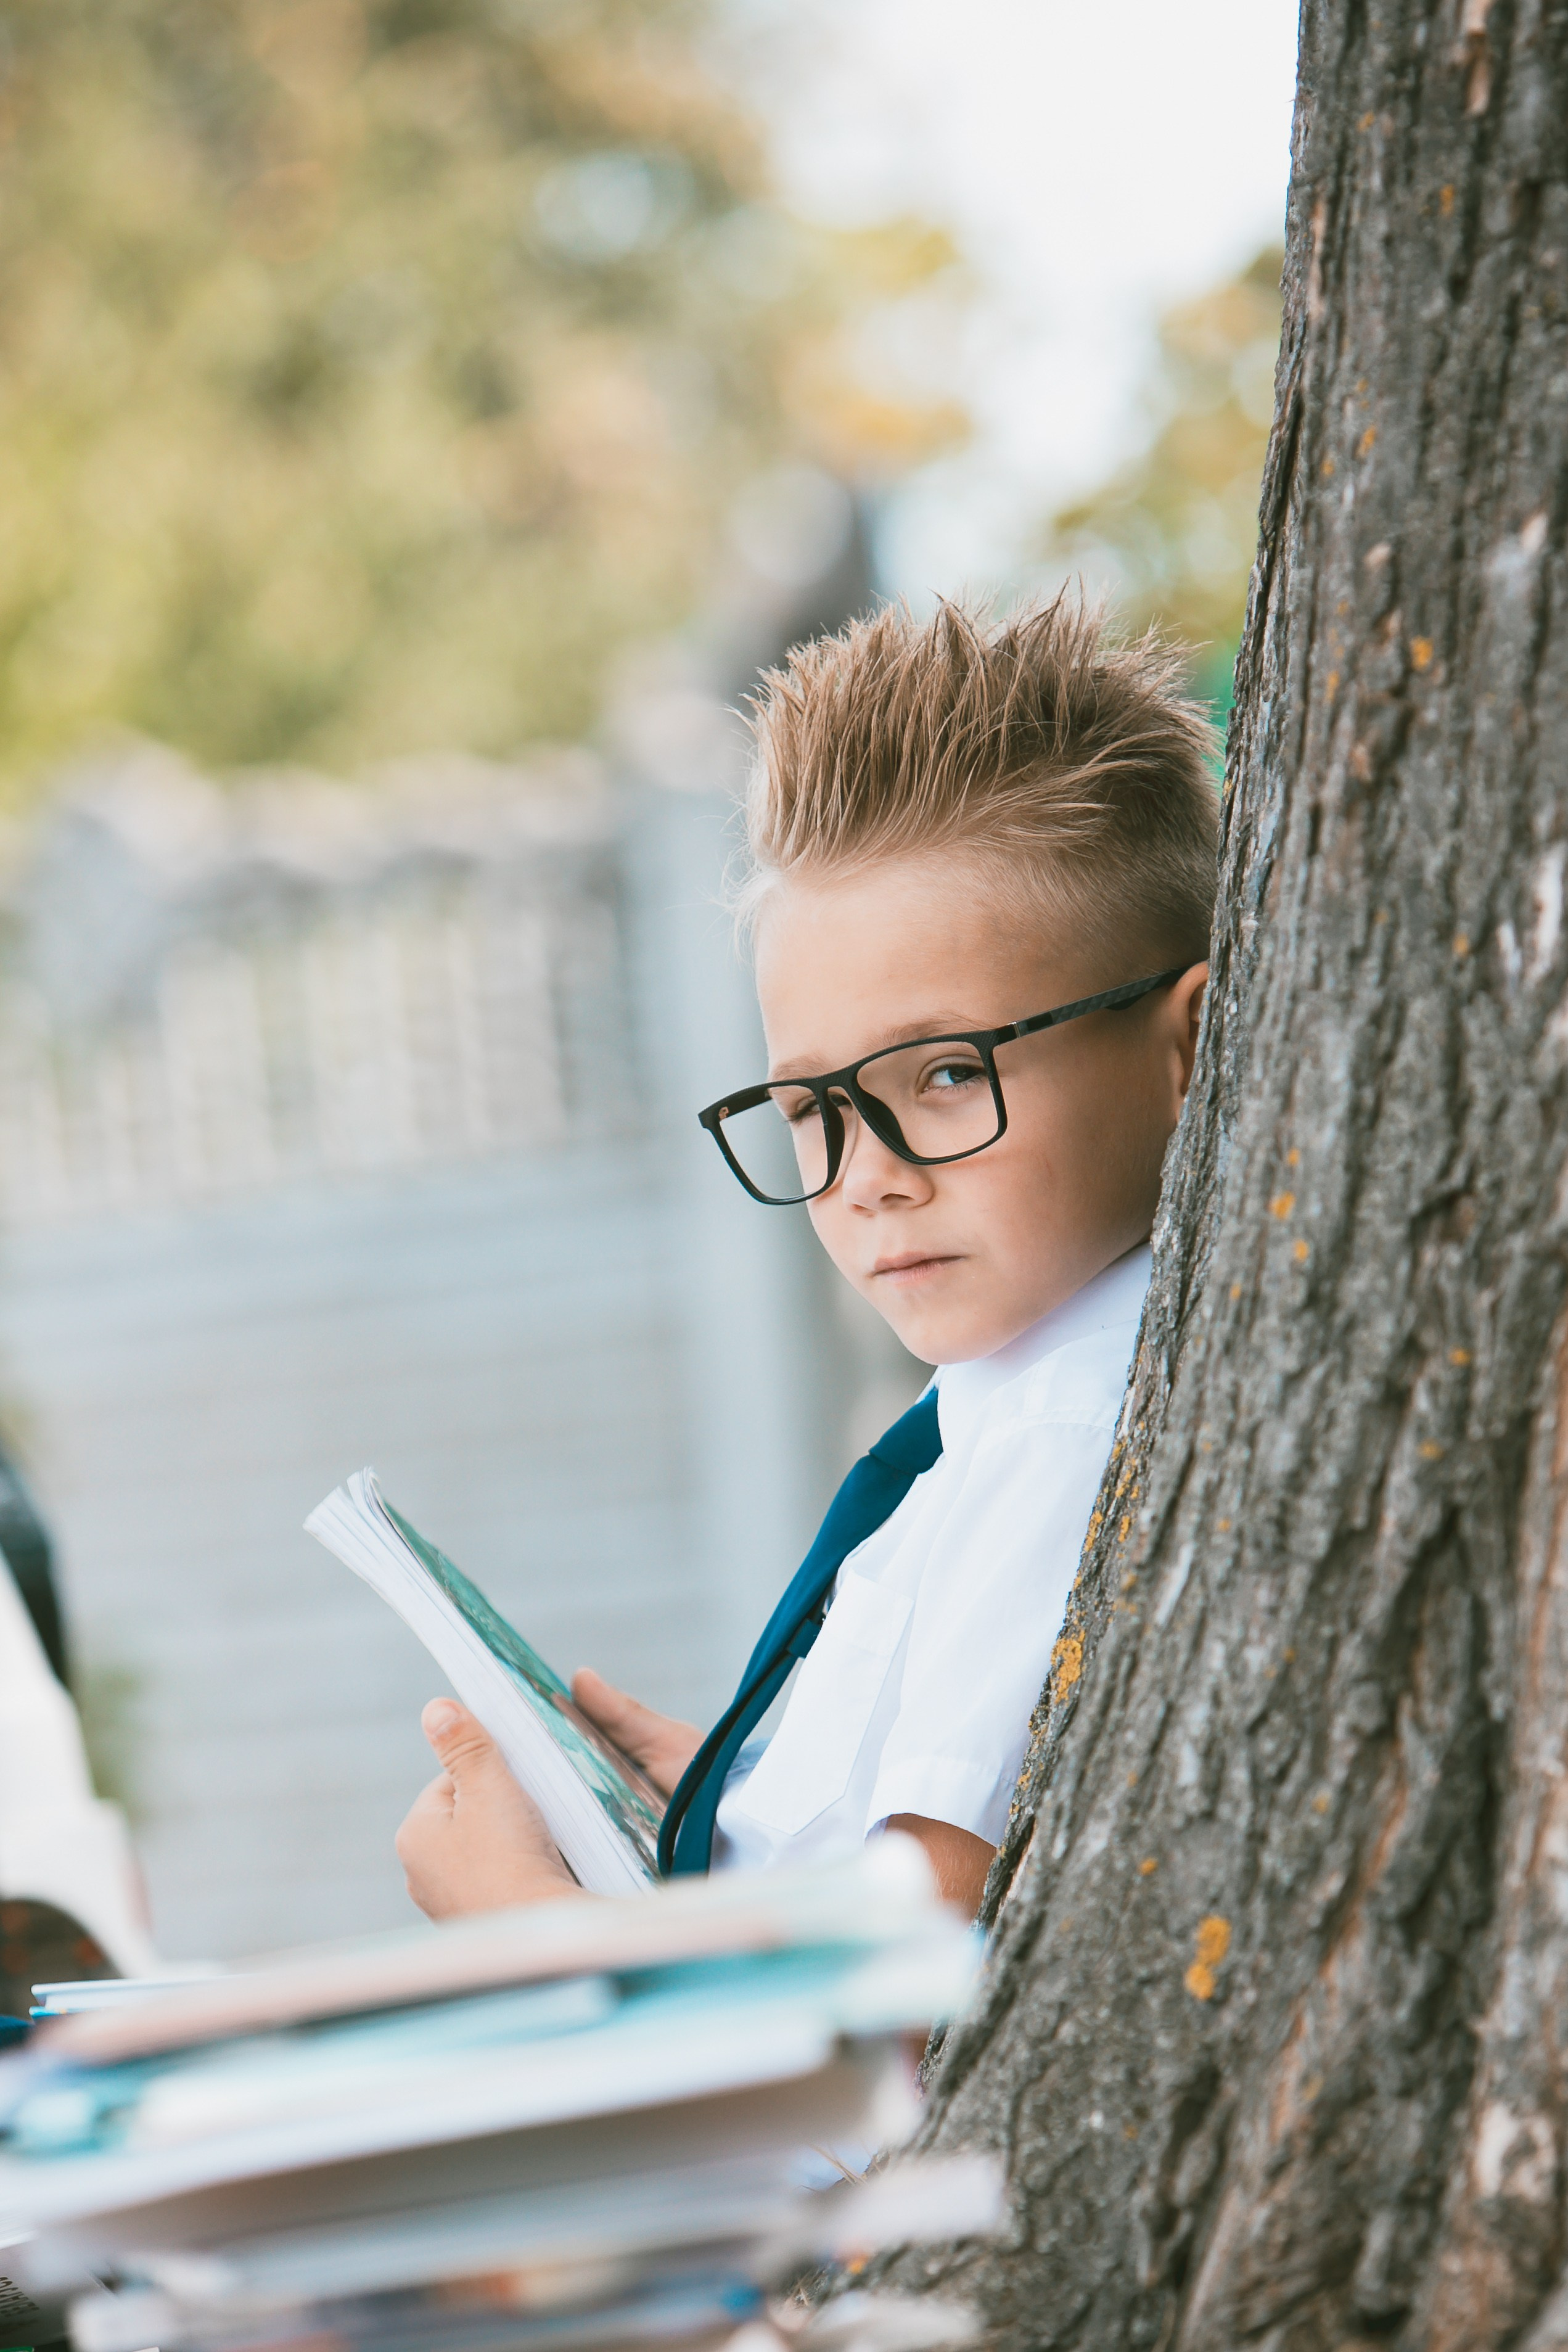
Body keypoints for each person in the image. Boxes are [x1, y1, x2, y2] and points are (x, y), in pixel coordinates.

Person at [396, 598, 1218, 1922]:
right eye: (816, 1109)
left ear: (1190, 1046)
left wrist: (543, 1941)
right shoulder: (1008, 1399)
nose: (871, 1172)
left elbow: (901, 2007)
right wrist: (730, 1817)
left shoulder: (1065, 1435)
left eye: (949, 1071)